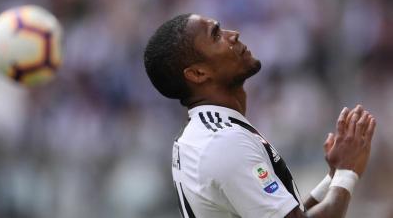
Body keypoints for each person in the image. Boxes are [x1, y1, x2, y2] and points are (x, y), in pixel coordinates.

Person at [143, 13, 376, 218]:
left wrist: (332, 178)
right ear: (197, 73)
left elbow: (285, 214)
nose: (232, 34)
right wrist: (347, 172)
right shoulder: (222, 142)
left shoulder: (207, 133)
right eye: (215, 35)